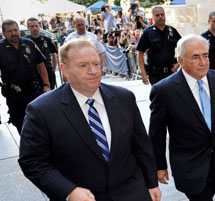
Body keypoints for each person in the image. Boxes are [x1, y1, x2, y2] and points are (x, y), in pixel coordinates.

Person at [18, 38, 162, 201]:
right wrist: (69, 191)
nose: (93, 71)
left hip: (132, 193)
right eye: (83, 65)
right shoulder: (42, 110)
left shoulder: (124, 98)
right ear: (64, 69)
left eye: (96, 63)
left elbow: (142, 146)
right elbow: (32, 162)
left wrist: (151, 183)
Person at [149, 34, 215, 201]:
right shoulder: (164, 90)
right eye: (195, 57)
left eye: (205, 55)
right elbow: (157, 133)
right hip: (188, 166)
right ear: (181, 61)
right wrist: (159, 166)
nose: (203, 62)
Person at [0, 19, 51, 133]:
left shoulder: (29, 44)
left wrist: (46, 85)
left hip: (34, 91)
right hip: (15, 95)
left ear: (19, 30)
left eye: (15, 30)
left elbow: (41, 65)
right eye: (9, 31)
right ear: (4, 34)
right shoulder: (1, 49)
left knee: (41, 121)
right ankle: (27, 149)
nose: (13, 33)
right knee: (21, 125)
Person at [136, 6, 181, 85]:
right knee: (159, 97)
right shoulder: (148, 33)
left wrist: (179, 63)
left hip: (171, 73)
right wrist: (143, 73)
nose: (160, 17)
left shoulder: (172, 31)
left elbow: (183, 47)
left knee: (173, 97)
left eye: (162, 14)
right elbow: (140, 54)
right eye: (157, 15)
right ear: (153, 17)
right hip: (155, 75)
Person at [26, 17, 58, 89]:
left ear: (39, 26)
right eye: (32, 26)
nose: (35, 28)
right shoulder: (26, 42)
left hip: (48, 71)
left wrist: (53, 69)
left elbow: (54, 55)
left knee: (51, 93)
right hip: (34, 74)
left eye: (36, 26)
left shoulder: (47, 40)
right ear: (28, 27)